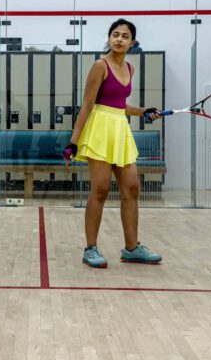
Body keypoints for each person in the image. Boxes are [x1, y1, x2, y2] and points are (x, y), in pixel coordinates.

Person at [64, 19, 164, 268]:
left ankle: (131, 248)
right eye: (115, 34)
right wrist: (73, 142)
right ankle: (91, 249)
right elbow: (87, 105)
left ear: (133, 42)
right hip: (99, 130)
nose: (119, 39)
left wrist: (144, 111)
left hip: (120, 129)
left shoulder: (130, 68)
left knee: (131, 188)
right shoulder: (100, 66)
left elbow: (119, 106)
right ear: (109, 38)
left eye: (125, 36)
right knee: (100, 190)